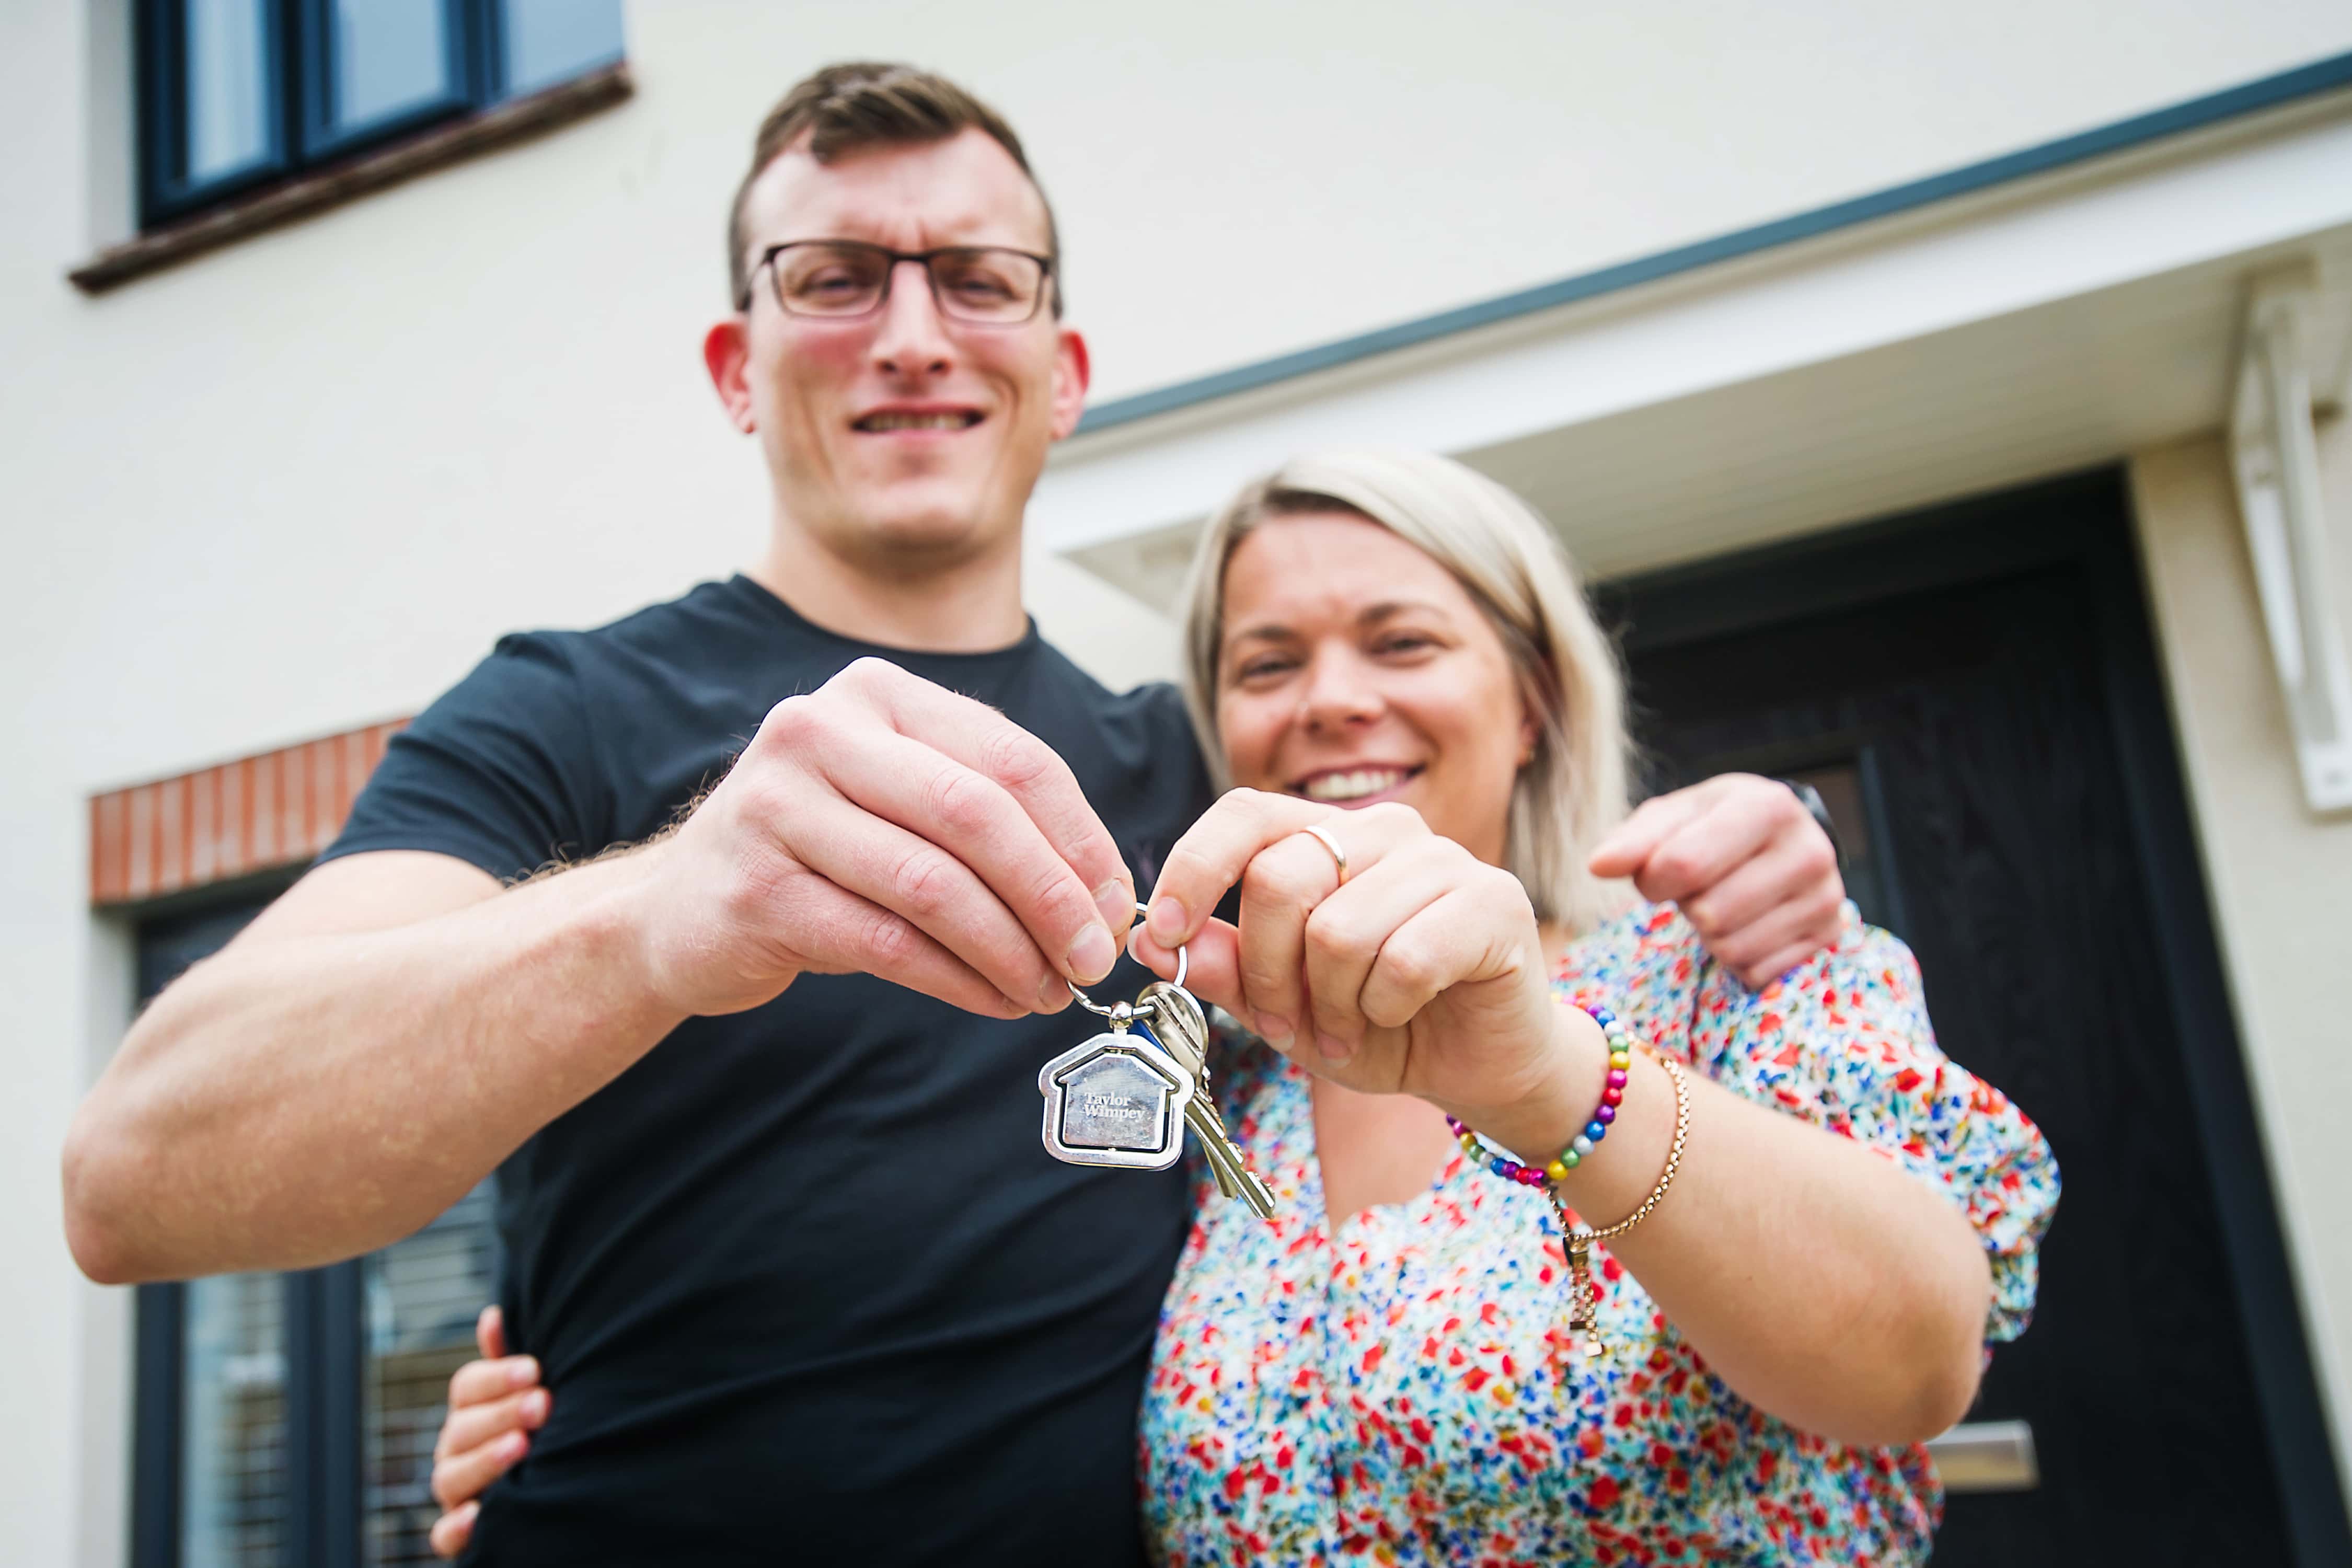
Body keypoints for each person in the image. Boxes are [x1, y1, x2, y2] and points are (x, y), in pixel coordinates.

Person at [65, 64, 1852, 1565]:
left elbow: (1474, 833)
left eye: (976, 279)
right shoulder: (563, 713)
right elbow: (135, 1181)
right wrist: (662, 916)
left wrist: (1740, 848)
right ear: (733, 366)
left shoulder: (1202, 780)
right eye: (834, 277)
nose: (911, 334)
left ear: (1060, 371)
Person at [426, 452, 2057, 1563]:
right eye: (1266, 663)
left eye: (1400, 639)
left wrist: (1550, 1071)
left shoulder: (1728, 964)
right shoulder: (1226, 1090)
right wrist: (587, 1414)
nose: (1332, 697)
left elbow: (1913, 1361)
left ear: (1536, 692)